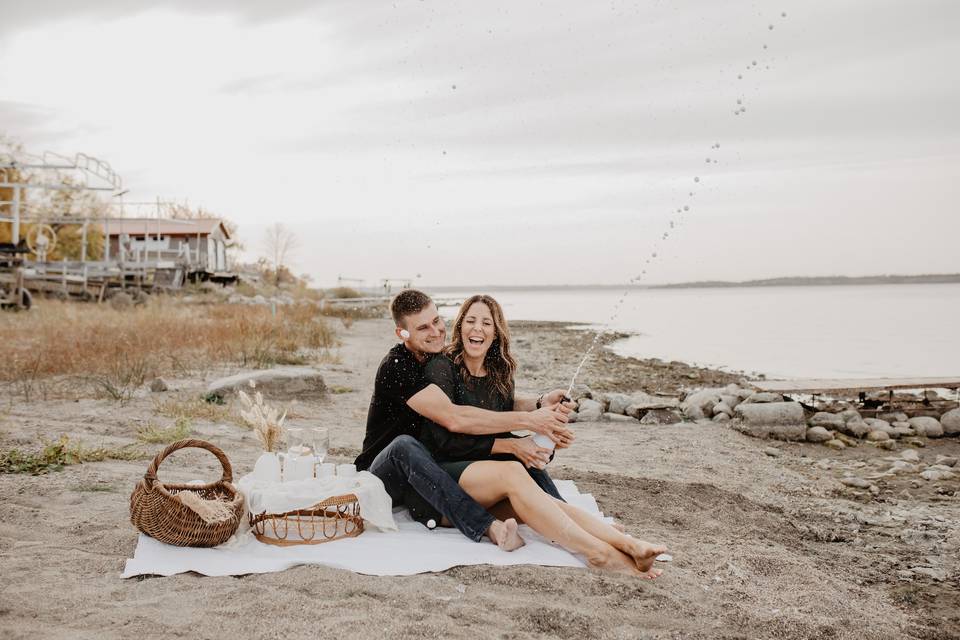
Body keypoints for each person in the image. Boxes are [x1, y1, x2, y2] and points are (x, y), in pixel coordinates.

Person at [420, 294, 667, 578]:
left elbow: (500, 416)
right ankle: (597, 555)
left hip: (485, 478)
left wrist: (545, 430)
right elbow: (446, 437)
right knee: (513, 471)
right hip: (444, 477)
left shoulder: (499, 371)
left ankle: (630, 546)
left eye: (486, 322)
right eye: (471, 320)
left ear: (496, 332)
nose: (477, 328)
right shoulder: (442, 367)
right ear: (460, 326)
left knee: (547, 504)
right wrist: (516, 446)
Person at [356, 289, 574, 550]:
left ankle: (568, 517)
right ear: (402, 333)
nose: (436, 332)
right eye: (423, 327)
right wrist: (530, 421)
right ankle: (487, 527)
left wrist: (539, 403)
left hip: (424, 468)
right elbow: (454, 416)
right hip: (383, 473)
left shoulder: (436, 359)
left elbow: (474, 404)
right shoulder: (398, 366)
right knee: (404, 445)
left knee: (517, 456)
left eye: (437, 321)